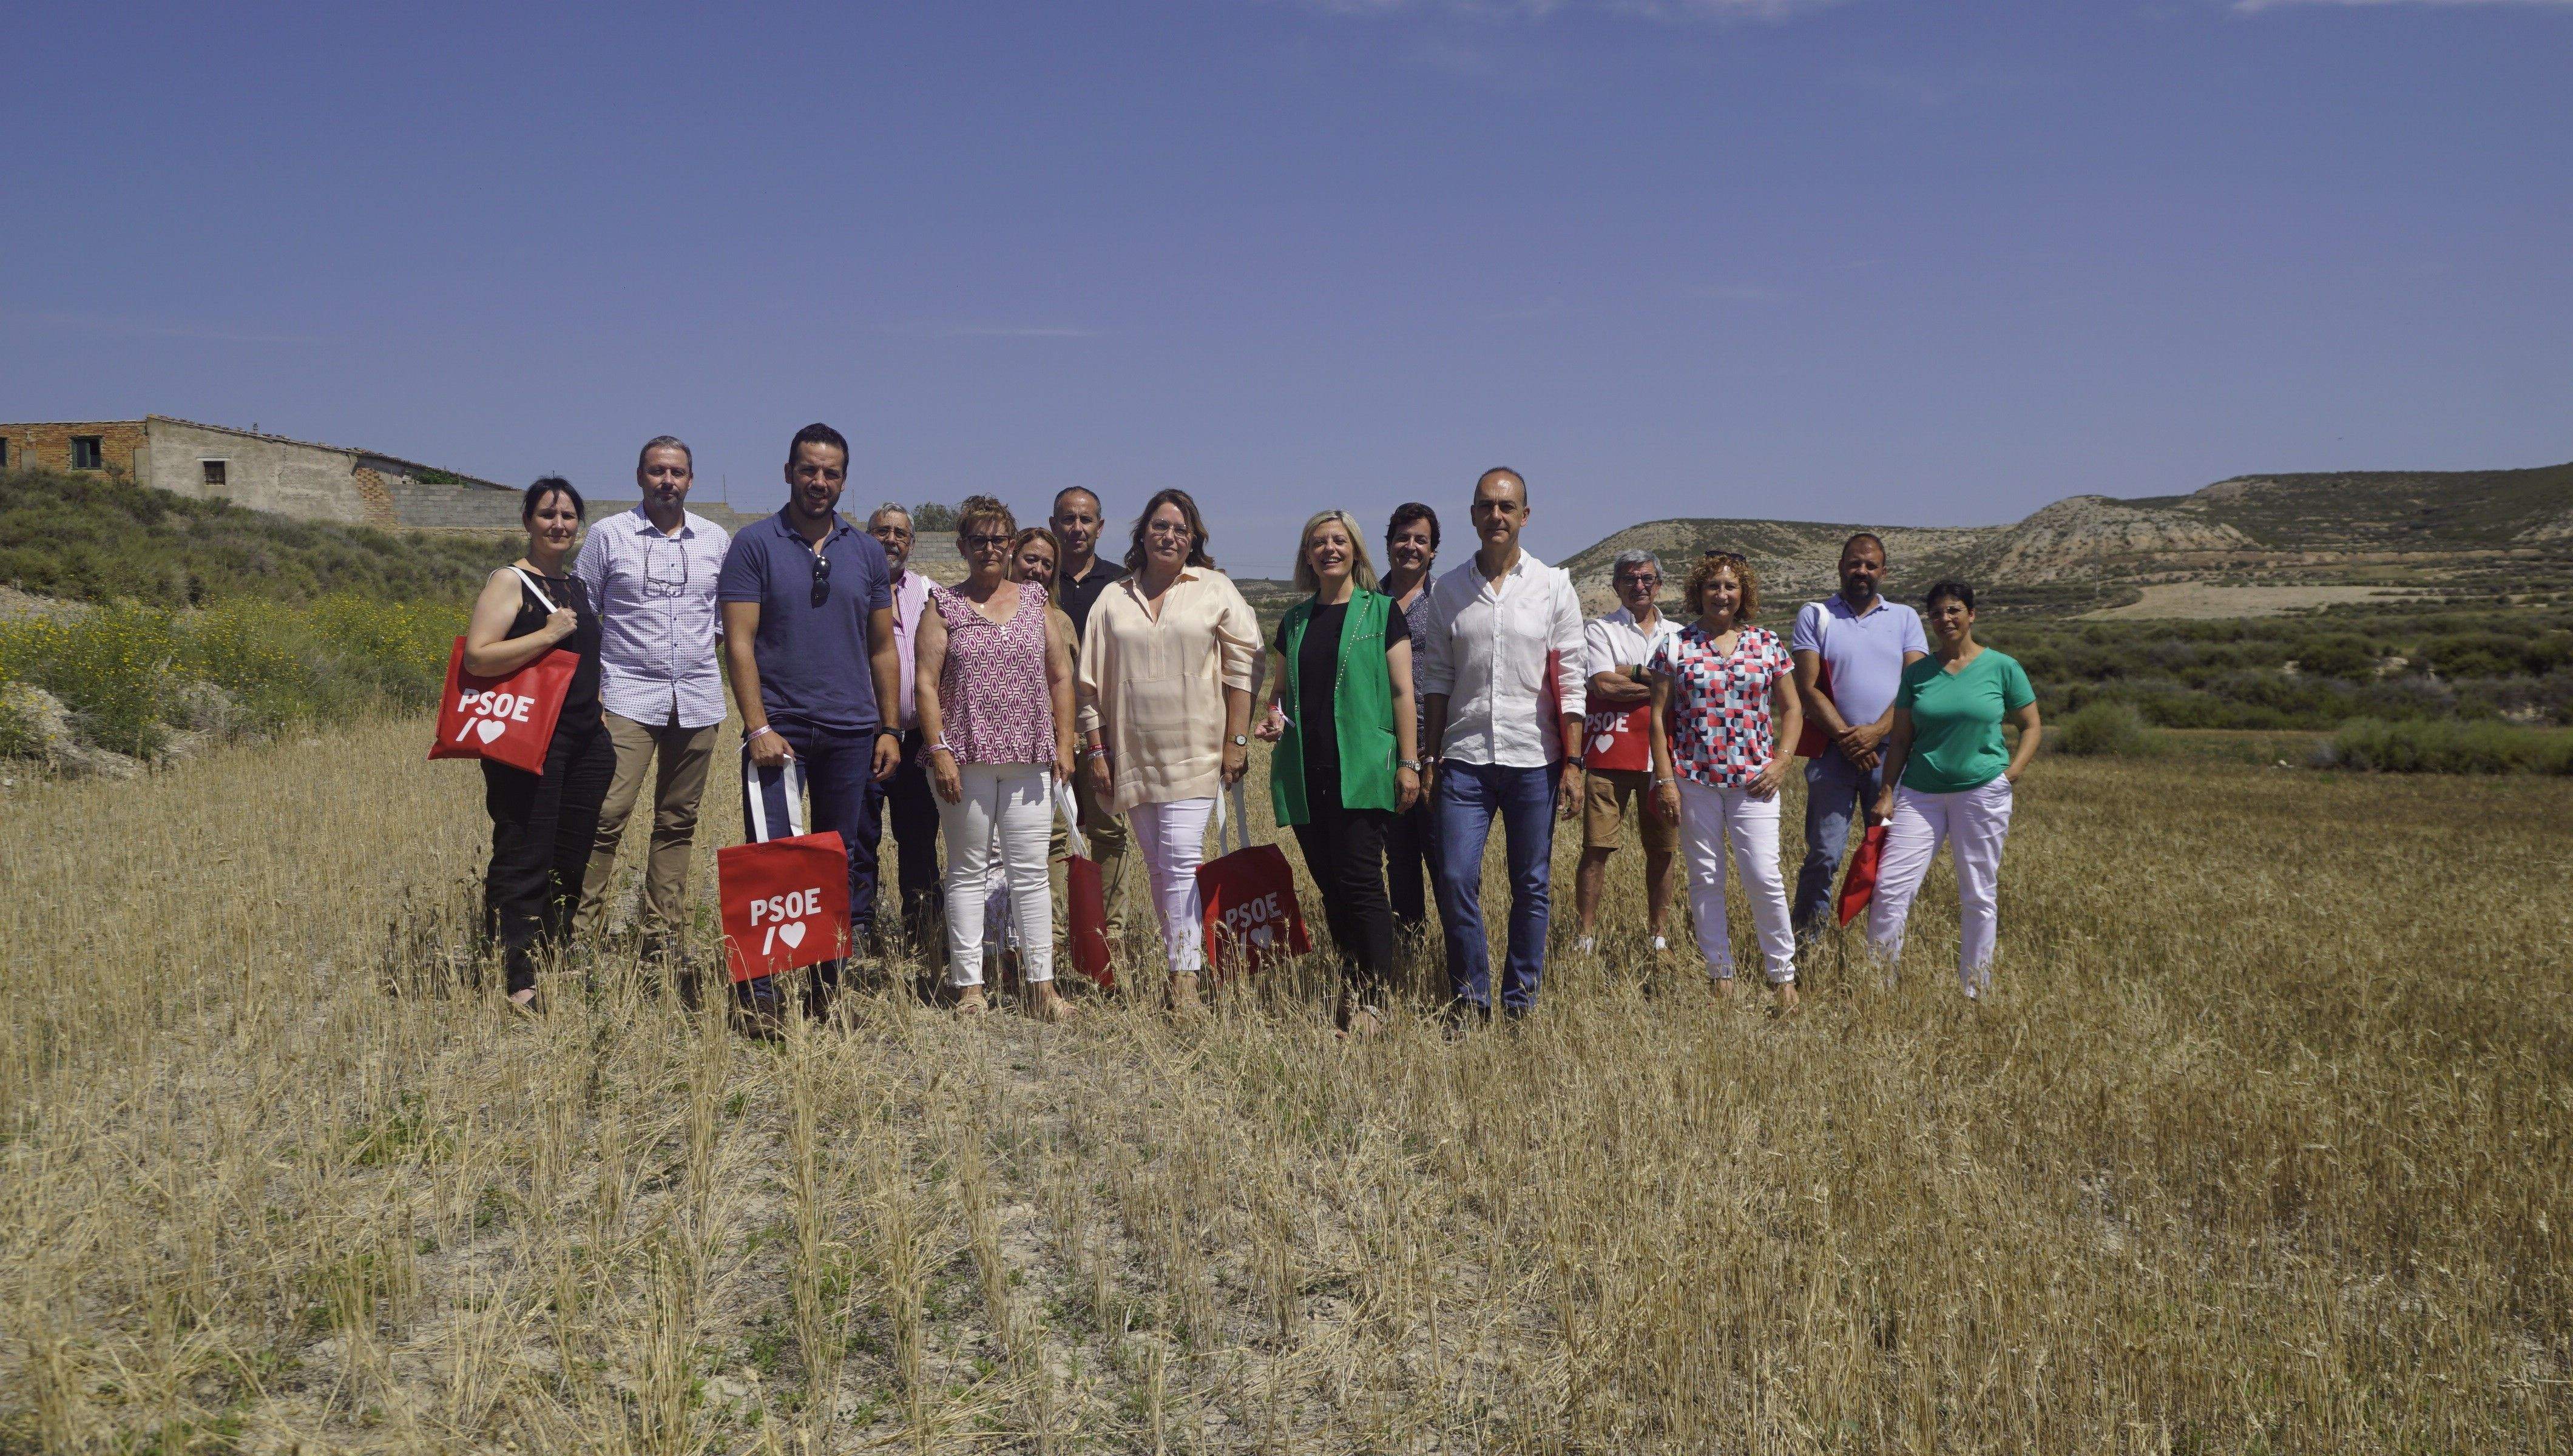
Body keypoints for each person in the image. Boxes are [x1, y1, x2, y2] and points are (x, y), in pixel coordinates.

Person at [715, 423, 904, 1023]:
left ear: (844, 480)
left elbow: (882, 649)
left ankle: (828, 990)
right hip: (781, 730)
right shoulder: (753, 544)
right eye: (809, 470)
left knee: (837, 858)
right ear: (788, 472)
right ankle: (759, 995)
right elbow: (738, 643)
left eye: (831, 473)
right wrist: (756, 726)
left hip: (851, 730)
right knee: (772, 857)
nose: (819, 482)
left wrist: (887, 728)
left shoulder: (866, 552)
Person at [1075, 488, 1262, 1011]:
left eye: (1181, 530)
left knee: (1180, 860)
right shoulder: (1113, 598)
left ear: (1194, 539)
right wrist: (1098, 753)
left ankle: (1185, 980)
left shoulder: (1214, 589)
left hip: (1197, 750)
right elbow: (1089, 686)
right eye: (1160, 526)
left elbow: (1244, 666)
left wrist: (1237, 741)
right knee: (1158, 867)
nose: (1170, 536)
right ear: (1142, 534)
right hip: (1135, 755)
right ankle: (1176, 967)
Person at [1417, 468, 1586, 1024]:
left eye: (1507, 507)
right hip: (1464, 756)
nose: (1497, 516)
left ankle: (1520, 1001)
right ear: (1472, 514)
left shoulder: (1554, 586)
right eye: (1487, 506)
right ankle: (1472, 997)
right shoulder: (1450, 590)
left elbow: (1571, 678)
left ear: (1525, 516)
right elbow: (1438, 677)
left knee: (1530, 883)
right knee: (1456, 877)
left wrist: (1575, 762)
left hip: (1534, 758)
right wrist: (1431, 754)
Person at [569, 437, 731, 982]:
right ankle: (578, 934)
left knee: (677, 822)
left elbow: (727, 618)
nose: (668, 481)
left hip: (698, 698)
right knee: (606, 816)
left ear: (691, 481)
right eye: (658, 471)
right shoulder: (608, 536)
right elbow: (583, 615)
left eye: (678, 472)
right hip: (625, 698)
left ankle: (661, 938)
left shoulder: (715, 540)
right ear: (639, 476)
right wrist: (587, 690)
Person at [1254, 510, 1422, 1036]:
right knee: (1330, 888)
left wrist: (1409, 763)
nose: (1329, 549)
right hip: (1308, 773)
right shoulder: (1296, 621)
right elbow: (1279, 695)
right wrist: (1273, 718)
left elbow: (1402, 693)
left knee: (1362, 883)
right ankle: (1352, 987)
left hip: (1363, 768)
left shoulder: (1382, 612)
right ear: (1307, 555)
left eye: (1339, 541)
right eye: (1318, 543)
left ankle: (1374, 1003)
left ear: (1356, 551)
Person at [913, 497, 1078, 1021]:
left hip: (1030, 755)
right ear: (962, 546)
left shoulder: (1034, 601)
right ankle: (969, 988)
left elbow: (1059, 676)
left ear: (1011, 546)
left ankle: (1043, 987)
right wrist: (938, 751)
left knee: (1030, 873)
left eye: (999, 540)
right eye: (978, 540)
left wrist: (1066, 743)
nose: (989, 549)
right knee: (966, 871)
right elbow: (925, 682)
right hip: (965, 757)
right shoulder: (943, 605)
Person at [462, 477, 614, 1011]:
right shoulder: (511, 581)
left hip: (585, 742)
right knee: (525, 850)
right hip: (528, 739)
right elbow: (478, 658)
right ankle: (515, 975)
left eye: (569, 516)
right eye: (548, 514)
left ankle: (553, 948)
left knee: (570, 854)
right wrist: (547, 634)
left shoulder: (574, 586)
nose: (559, 525)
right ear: (527, 520)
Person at [1865, 581, 2041, 998]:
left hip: (1981, 792)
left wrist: (2011, 773)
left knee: (1978, 893)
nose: (1946, 620)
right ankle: (1878, 989)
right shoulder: (1918, 673)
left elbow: (2031, 725)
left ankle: (1975, 990)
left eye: (1954, 611)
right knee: (1890, 889)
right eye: (1938, 613)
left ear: (1971, 615)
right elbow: (1902, 740)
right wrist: (1887, 791)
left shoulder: (2003, 667)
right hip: (1920, 793)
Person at [1646, 552, 1802, 1009]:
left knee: (1763, 874)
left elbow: (1792, 709)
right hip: (1695, 779)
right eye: (1713, 585)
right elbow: (1658, 717)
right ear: (1700, 592)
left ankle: (1782, 975)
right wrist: (1665, 781)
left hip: (1756, 782)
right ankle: (1720, 973)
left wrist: (1783, 761)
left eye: (1731, 586)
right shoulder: (1675, 646)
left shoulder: (1768, 644)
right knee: (1706, 877)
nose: (1722, 594)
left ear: (1743, 594)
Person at [1790, 533, 1930, 945]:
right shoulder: (1816, 615)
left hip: (1892, 762)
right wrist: (1849, 740)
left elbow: (1915, 683)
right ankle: (1806, 946)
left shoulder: (1905, 618)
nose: (1862, 571)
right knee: (1823, 855)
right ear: (1841, 566)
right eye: (1855, 563)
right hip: (1833, 758)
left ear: (1883, 571)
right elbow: (1808, 688)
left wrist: (1876, 733)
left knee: (1886, 851)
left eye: (1871, 565)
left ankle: (1882, 950)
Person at [1573, 549, 1682, 955]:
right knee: (1597, 848)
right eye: (1630, 579)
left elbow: (1685, 691)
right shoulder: (1598, 630)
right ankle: (1585, 936)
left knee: (1664, 850)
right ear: (1617, 586)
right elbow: (1603, 685)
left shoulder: (1678, 633)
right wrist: (1658, 682)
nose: (1639, 586)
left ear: (1659, 585)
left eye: (1647, 579)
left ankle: (1659, 934)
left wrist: (1628, 671)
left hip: (1662, 759)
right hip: (1610, 754)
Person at [1047, 487, 1136, 957]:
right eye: (1067, 519)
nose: (1076, 528)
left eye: (1086, 520)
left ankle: (1110, 938)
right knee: (1053, 835)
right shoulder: (1036, 577)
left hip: (1106, 728)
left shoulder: (1122, 584)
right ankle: (1056, 936)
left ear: (1100, 527)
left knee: (1108, 831)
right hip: (1048, 731)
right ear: (1053, 524)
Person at [867, 503, 942, 945]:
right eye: (882, 532)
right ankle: (859, 926)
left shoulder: (930, 592)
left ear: (911, 544)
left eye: (900, 534)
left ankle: (923, 928)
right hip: (864, 735)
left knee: (918, 837)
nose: (891, 540)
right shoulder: (850, 587)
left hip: (915, 739)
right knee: (860, 836)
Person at [1378, 503, 1444, 945]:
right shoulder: (1367, 601)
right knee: (1398, 857)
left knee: (1444, 856)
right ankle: (1409, 943)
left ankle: (1457, 947)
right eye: (1403, 538)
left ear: (1433, 550)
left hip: (1436, 747)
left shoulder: (1446, 601)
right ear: (1388, 545)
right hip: (1382, 750)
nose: (1411, 547)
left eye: (1421, 539)